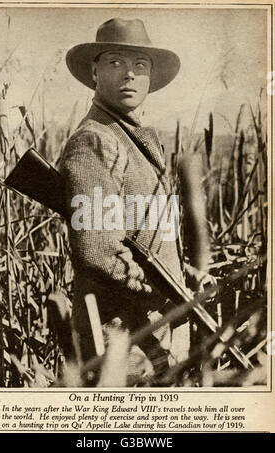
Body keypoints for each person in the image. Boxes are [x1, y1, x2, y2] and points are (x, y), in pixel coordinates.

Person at [60, 17, 213, 383]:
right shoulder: (95, 140)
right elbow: (98, 253)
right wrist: (169, 293)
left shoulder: (136, 138)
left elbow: (147, 237)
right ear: (94, 71)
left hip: (155, 335)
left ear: (149, 77)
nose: (129, 74)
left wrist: (183, 276)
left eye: (139, 65)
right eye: (115, 62)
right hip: (122, 343)